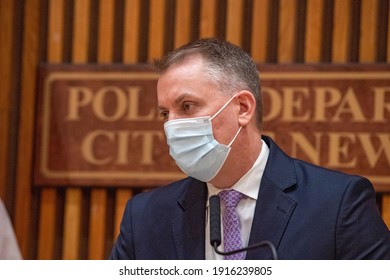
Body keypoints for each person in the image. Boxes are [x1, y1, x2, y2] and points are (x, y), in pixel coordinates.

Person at [110, 38, 390, 259]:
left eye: (186, 107)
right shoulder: (145, 216)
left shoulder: (337, 203)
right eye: (164, 114)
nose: (171, 126)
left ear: (242, 108)